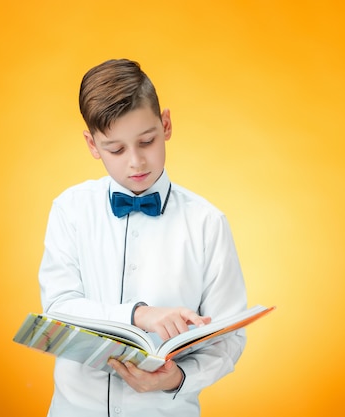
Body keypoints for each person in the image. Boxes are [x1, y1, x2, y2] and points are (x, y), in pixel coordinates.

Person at [38, 59, 248, 417]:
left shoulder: (207, 223)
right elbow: (58, 309)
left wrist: (177, 378)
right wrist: (138, 315)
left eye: (146, 141)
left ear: (165, 124)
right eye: (116, 150)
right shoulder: (70, 209)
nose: (135, 162)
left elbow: (228, 340)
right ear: (92, 144)